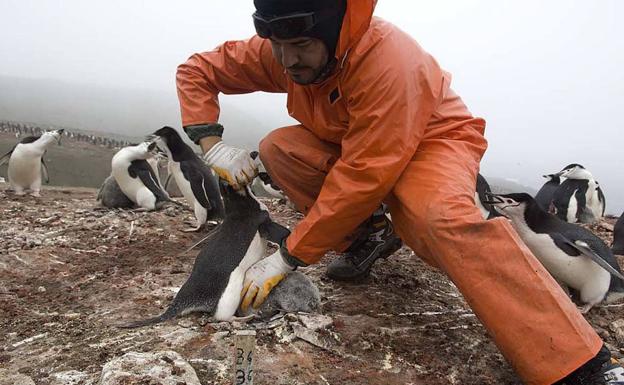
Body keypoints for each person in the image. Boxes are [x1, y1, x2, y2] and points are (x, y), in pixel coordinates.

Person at [175, 0, 624, 383]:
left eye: (302, 46)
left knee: (439, 218)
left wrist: (287, 255)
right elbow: (197, 71)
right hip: (355, 140)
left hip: (432, 141)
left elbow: (364, 175)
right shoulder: (284, 48)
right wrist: (210, 146)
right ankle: (365, 236)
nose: (288, 61)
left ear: (336, 32)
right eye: (279, 46)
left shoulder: (388, 61)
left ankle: (578, 362)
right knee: (280, 148)